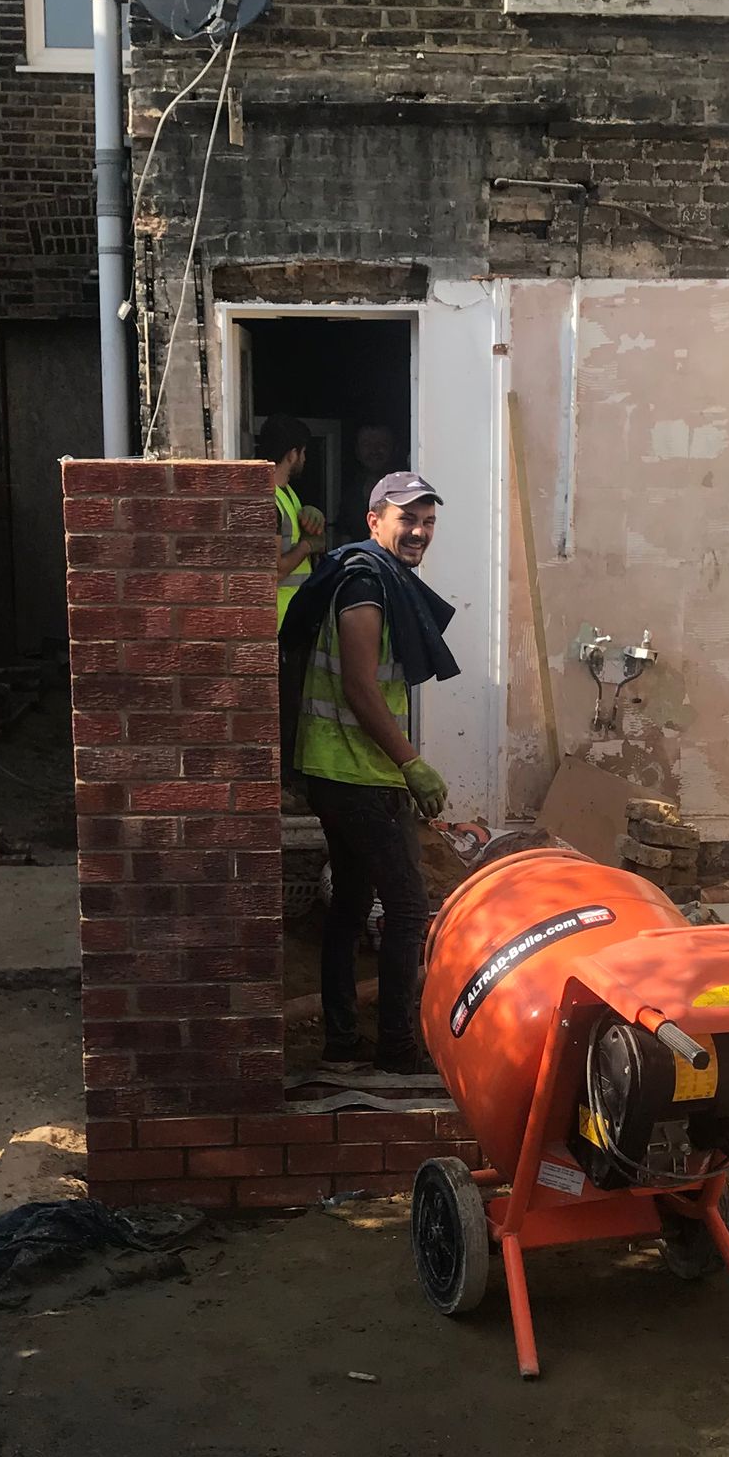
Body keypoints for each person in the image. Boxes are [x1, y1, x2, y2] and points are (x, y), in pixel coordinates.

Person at [281, 472, 460, 1074]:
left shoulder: (374, 575)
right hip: (355, 774)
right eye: (407, 519)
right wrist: (412, 763)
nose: (419, 532)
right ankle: (398, 1049)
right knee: (407, 908)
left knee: (352, 904)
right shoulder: (364, 584)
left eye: (428, 522)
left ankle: (341, 1041)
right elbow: (360, 686)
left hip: (345, 769)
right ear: (374, 520)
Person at [255, 414, 324, 624]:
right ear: (292, 455)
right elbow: (274, 571)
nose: (305, 459)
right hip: (278, 621)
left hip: (294, 616)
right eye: (303, 452)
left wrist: (310, 515)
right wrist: (307, 545)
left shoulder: (288, 494)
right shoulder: (268, 499)